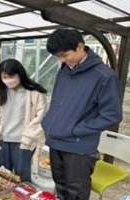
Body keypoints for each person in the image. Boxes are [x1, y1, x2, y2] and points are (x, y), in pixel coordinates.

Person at [41, 28, 123, 200]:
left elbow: (112, 115)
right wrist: (48, 122)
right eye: (58, 56)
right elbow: (58, 101)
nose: (62, 60)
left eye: (65, 55)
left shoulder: (104, 76)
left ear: (80, 46)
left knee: (76, 192)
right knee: (60, 186)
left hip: (78, 146)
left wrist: (76, 129)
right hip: (56, 140)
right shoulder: (64, 70)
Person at [0, 59, 47, 182]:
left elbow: (40, 117)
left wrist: (29, 137)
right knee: (3, 174)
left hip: (23, 140)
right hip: (3, 139)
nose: (8, 80)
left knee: (22, 176)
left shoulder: (35, 92)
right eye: (4, 77)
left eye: (11, 76)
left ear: (20, 74)